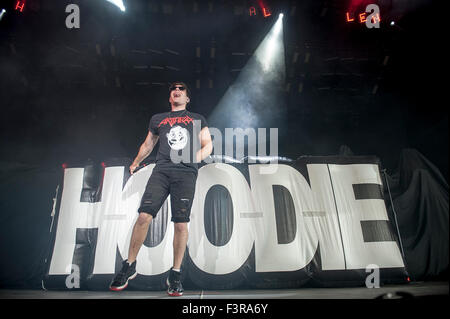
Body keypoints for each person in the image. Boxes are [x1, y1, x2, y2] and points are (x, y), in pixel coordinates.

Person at [109, 81, 212, 296]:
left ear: (187, 98)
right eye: (173, 89)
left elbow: (208, 144)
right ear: (170, 97)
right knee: (144, 216)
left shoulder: (197, 118)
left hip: (185, 174)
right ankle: (129, 265)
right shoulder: (158, 119)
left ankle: (174, 275)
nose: (177, 90)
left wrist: (195, 159)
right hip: (162, 171)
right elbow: (148, 145)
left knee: (181, 225)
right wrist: (136, 162)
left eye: (181, 89)